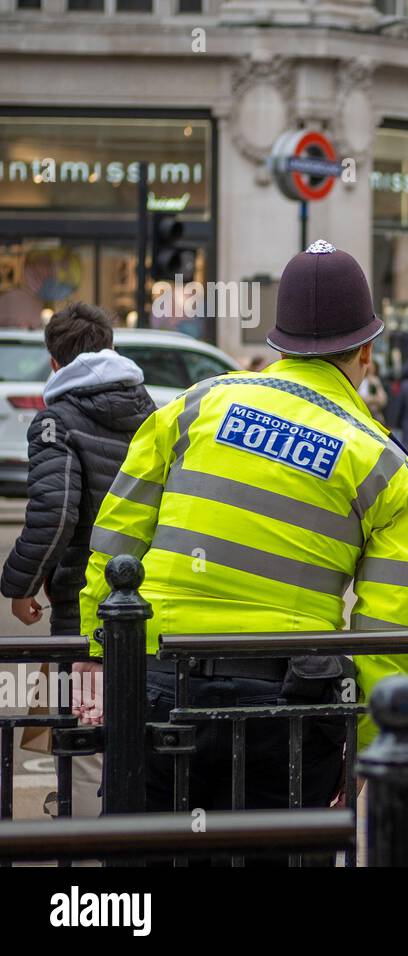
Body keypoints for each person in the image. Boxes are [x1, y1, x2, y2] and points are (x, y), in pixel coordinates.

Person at [74, 240, 408, 823]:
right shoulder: (385, 466)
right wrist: (368, 745)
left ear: (278, 344)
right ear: (367, 350)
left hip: (160, 685)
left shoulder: (195, 407)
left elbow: (115, 541)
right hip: (288, 708)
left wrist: (99, 646)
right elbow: (388, 638)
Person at [1, 302, 155, 817]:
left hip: (82, 605)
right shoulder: (152, 411)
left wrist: (20, 585)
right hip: (149, 596)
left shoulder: (56, 421)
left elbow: (54, 512)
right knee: (136, 724)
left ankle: (90, 850)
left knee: (85, 730)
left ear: (54, 362)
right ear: (111, 346)